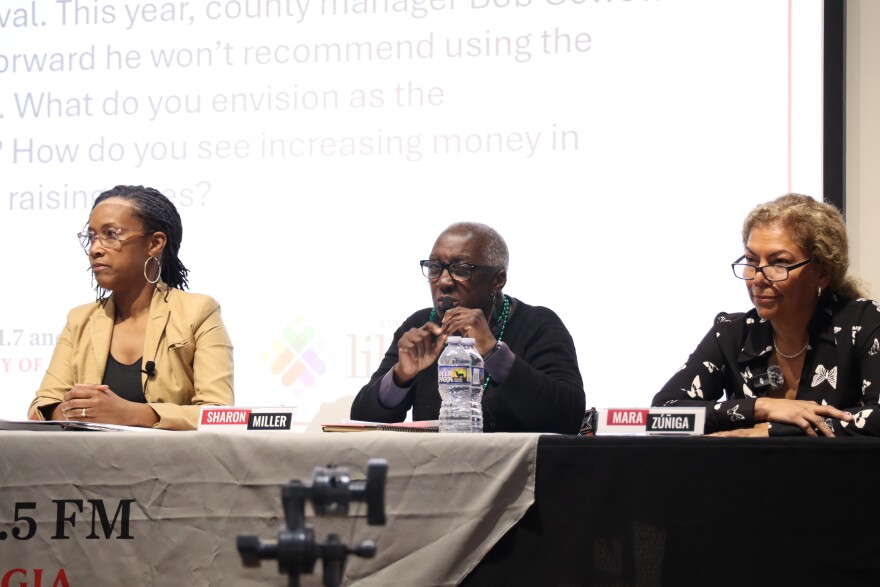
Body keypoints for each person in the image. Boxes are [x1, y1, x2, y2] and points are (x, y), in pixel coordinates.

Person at [653, 194, 880, 437]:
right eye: (751, 260)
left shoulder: (862, 324)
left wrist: (771, 432)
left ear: (822, 273)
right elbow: (662, 416)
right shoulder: (732, 333)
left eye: (779, 262)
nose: (758, 277)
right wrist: (762, 407)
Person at [28, 185, 234, 430]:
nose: (95, 249)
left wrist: (132, 414)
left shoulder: (199, 312)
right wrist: (75, 410)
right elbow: (41, 408)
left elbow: (219, 413)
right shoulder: (79, 320)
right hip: (89, 465)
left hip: (170, 466)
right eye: (92, 236)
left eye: (111, 234)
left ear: (154, 243)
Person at [350, 222, 585, 434]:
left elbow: (568, 418)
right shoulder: (420, 326)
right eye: (434, 268)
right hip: (435, 472)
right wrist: (401, 376)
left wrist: (494, 353)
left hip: (512, 474)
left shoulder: (538, 324)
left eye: (461, 269)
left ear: (498, 279)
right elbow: (361, 419)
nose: (443, 281)